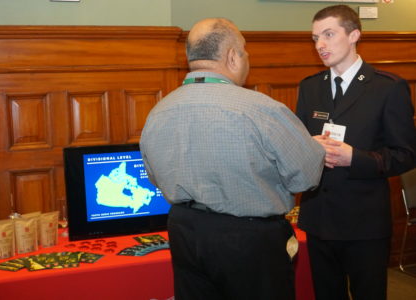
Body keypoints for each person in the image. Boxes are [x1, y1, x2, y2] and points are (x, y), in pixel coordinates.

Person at [140, 18, 325, 300]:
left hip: (184, 229)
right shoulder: (262, 109)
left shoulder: (159, 110)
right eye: (245, 50)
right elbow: (306, 176)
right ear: (232, 56)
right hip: (249, 240)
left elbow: (154, 175)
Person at [296, 5, 416, 300]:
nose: (320, 45)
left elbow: (405, 154)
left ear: (354, 35)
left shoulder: (388, 88)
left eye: (328, 34)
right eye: (315, 38)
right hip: (318, 218)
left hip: (364, 224)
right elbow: (298, 145)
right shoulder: (310, 88)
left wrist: (356, 158)